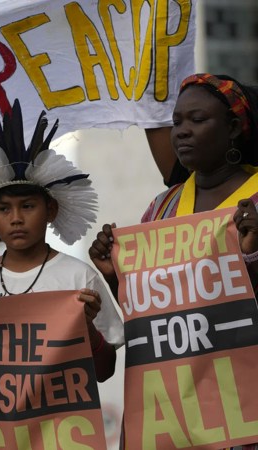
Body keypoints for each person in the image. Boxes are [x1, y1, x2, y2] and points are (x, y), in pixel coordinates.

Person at [89, 73, 258, 450]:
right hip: (177, 405)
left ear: (233, 128)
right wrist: (117, 278)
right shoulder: (162, 207)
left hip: (244, 401)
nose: (181, 131)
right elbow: (153, 312)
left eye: (197, 120)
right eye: (176, 121)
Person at [0, 101, 125, 394]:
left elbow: (105, 371)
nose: (16, 218)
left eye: (28, 206)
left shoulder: (80, 278)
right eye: (4, 209)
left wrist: (88, 331)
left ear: (51, 210)